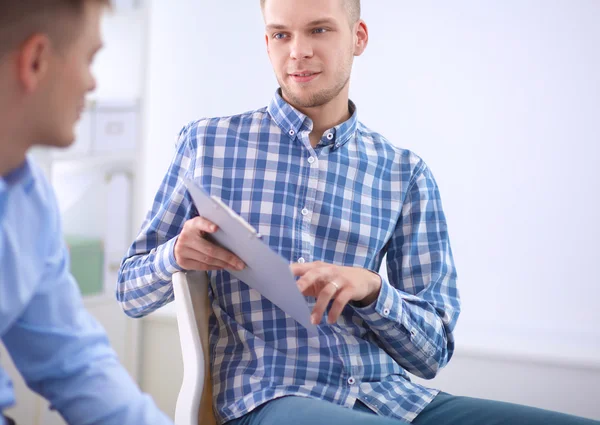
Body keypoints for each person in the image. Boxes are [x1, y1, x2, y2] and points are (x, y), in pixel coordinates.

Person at [117, 0, 599, 424]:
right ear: (267, 43)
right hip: (270, 398)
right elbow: (129, 290)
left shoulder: (404, 173)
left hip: (393, 400)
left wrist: (373, 292)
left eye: (319, 30)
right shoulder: (208, 144)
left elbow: (431, 354)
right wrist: (175, 255)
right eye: (281, 34)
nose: (298, 51)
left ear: (358, 37)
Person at [0, 1, 175, 424]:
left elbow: (73, 361)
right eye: (88, 59)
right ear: (36, 61)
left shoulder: (30, 199)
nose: (92, 82)